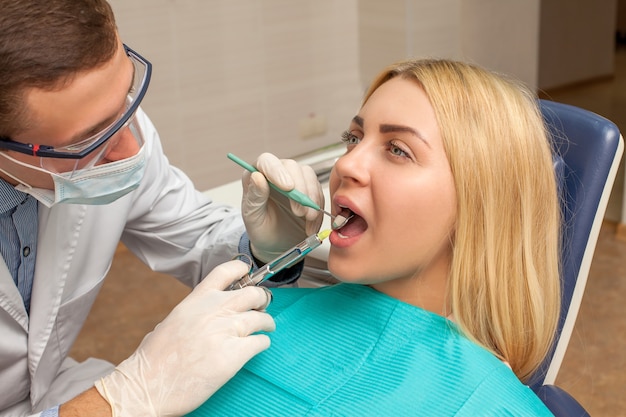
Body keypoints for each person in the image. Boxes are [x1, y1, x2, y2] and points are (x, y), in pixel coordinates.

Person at [0, 1, 324, 416]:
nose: (132, 148)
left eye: (125, 101)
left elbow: (188, 231)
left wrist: (263, 248)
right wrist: (125, 399)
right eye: (89, 140)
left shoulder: (110, 128)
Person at [186, 58, 562, 416]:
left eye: (398, 150)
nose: (346, 164)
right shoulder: (253, 317)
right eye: (353, 138)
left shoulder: (491, 405)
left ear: (482, 202)